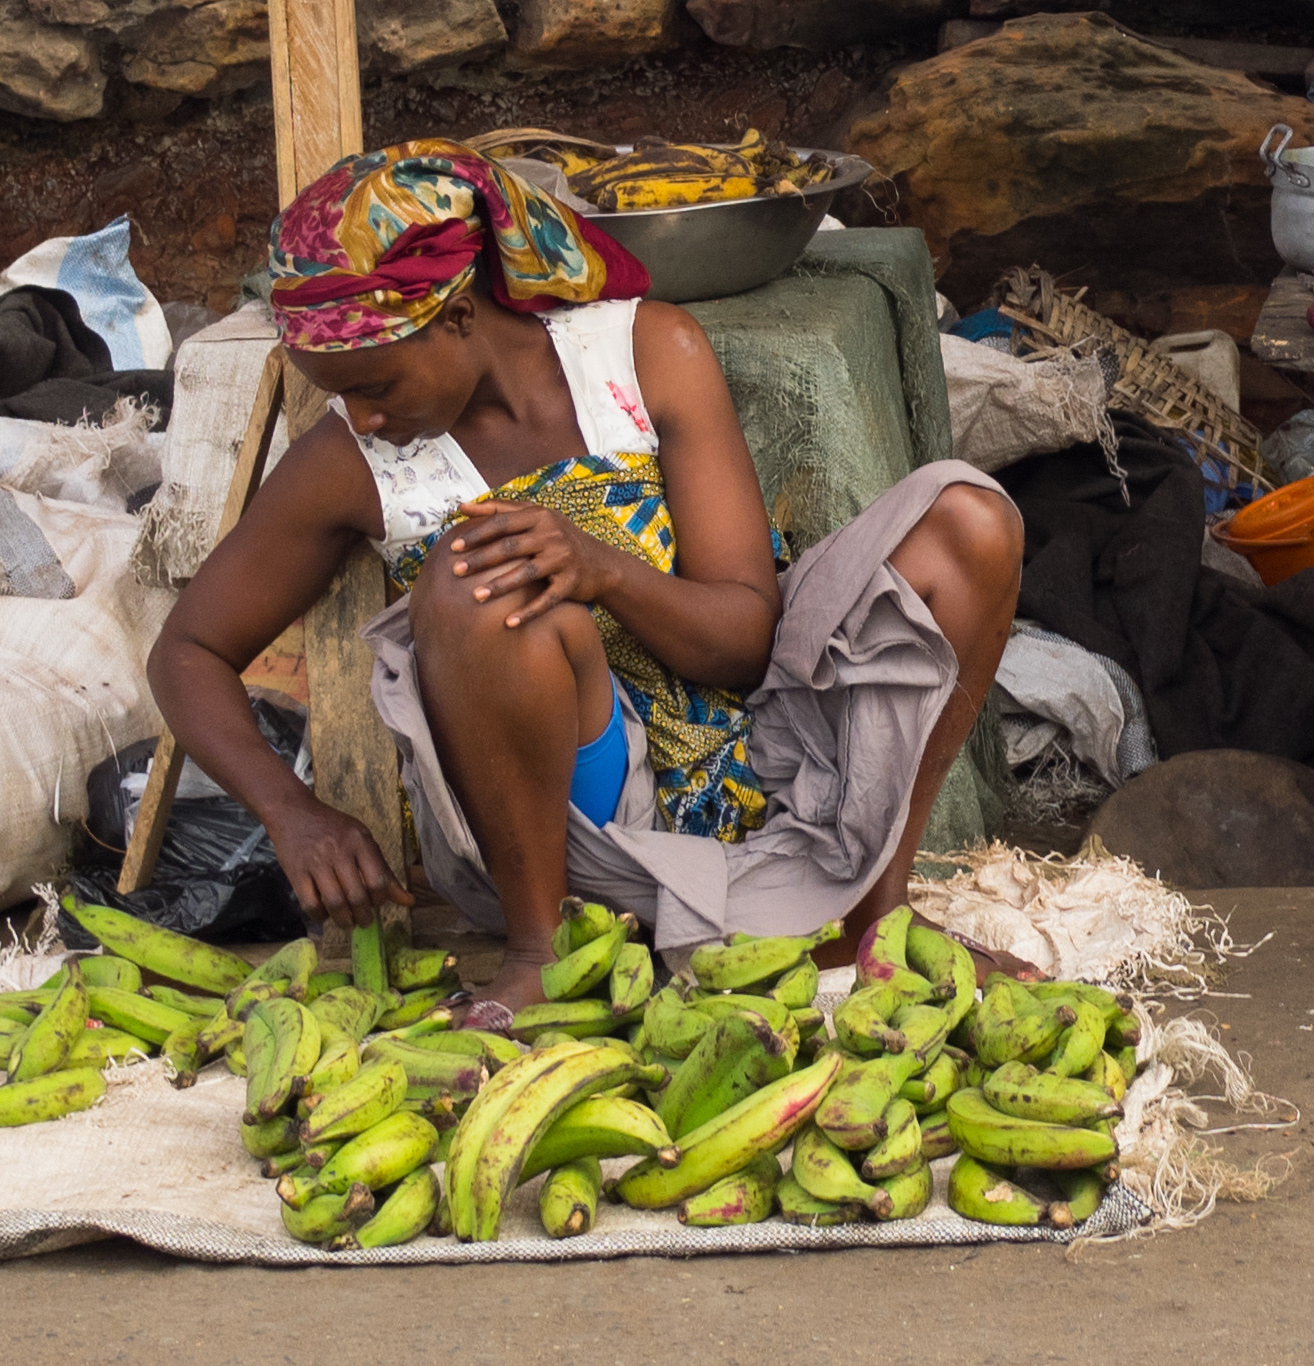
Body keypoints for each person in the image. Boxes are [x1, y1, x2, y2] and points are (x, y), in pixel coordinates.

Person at [147, 139, 1026, 1029]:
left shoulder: (643, 354)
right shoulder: (351, 462)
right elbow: (187, 651)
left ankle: (876, 914)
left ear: (456, 315)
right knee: (471, 576)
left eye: (375, 385)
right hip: (572, 835)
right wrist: (293, 815)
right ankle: (539, 953)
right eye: (342, 395)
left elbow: (745, 642)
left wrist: (605, 570)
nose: (366, 418)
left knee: (965, 519)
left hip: (763, 764)